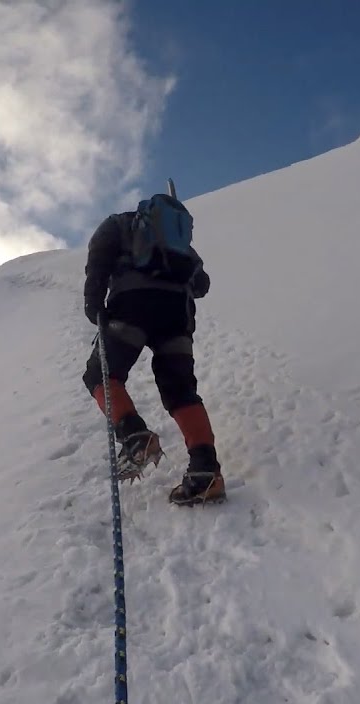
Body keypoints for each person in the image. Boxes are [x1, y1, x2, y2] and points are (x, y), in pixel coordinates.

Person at [80, 198, 225, 506]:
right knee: (181, 392)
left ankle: (135, 436)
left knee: (101, 375)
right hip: (178, 315)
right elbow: (201, 284)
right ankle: (205, 472)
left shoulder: (119, 224)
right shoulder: (184, 248)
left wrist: (94, 302)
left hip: (133, 305)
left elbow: (99, 259)